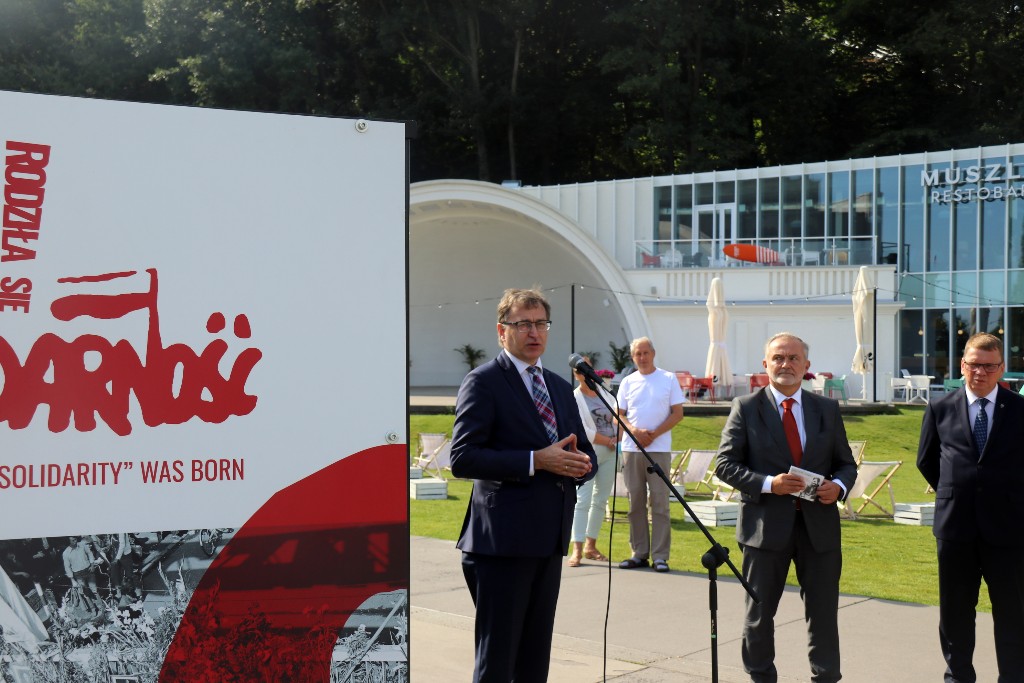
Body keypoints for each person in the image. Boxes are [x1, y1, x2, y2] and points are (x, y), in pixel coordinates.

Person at [450, 287, 597, 683]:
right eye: (523, 324)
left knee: (534, 661)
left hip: (549, 540)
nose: (534, 332)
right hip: (502, 544)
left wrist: (581, 466)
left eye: (541, 324)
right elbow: (462, 458)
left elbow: (585, 452)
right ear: (502, 331)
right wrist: (536, 460)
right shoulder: (483, 382)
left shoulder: (559, 386)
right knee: (498, 661)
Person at [715, 332, 857, 683]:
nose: (786, 364)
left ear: (807, 366)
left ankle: (826, 677)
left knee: (823, 614)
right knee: (759, 614)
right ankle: (761, 676)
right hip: (765, 529)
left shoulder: (826, 409)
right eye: (778, 358)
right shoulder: (746, 408)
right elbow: (725, 465)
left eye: (793, 358)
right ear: (765, 364)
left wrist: (838, 487)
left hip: (819, 530)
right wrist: (769, 484)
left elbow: (845, 464)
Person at [917, 333, 1024, 682]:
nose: (981, 372)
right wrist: (955, 490)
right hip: (955, 528)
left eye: (989, 366)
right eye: (975, 364)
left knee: (1013, 612)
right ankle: (958, 677)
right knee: (955, 612)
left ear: (1001, 368)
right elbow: (926, 460)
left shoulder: (1019, 409)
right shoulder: (940, 407)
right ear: (962, 365)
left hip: (1008, 528)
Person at [616, 337, 684, 573]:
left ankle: (660, 556)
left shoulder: (668, 378)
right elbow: (619, 414)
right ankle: (639, 553)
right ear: (633, 357)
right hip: (631, 449)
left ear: (653, 354)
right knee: (635, 503)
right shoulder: (627, 382)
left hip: (659, 449)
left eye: (646, 353)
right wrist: (634, 432)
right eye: (638, 354)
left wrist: (654, 434)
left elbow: (678, 413)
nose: (642, 357)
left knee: (660, 503)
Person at [568, 354, 618, 567]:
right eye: (578, 370)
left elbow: (618, 415)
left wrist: (617, 436)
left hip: (612, 451)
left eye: (586, 367)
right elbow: (582, 429)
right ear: (575, 375)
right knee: (582, 500)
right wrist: (608, 440)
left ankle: (591, 545)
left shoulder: (604, 392)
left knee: (600, 500)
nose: (582, 372)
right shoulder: (575, 397)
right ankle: (577, 549)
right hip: (589, 451)